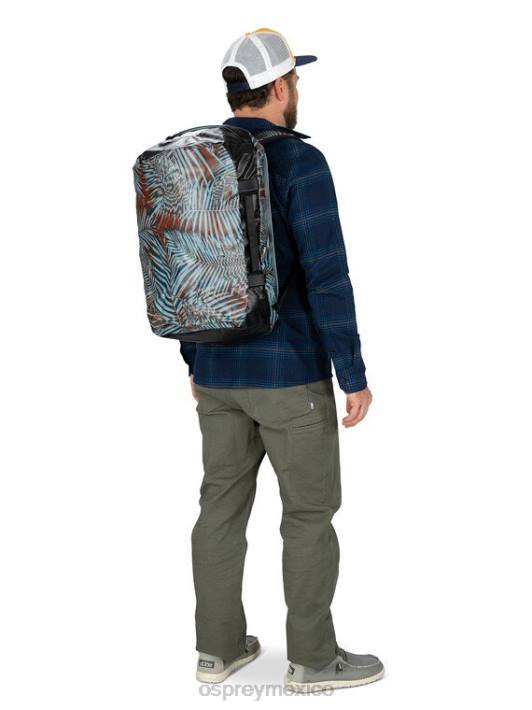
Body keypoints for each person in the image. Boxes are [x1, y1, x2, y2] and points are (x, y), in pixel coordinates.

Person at [181, 28, 384, 693]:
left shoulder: (197, 161)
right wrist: (352, 373)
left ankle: (216, 652)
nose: (297, 89)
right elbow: (327, 276)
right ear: (276, 88)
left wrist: (193, 360)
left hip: (216, 375)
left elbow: (180, 269)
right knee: (308, 517)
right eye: (294, 78)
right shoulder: (299, 162)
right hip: (290, 375)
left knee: (219, 510)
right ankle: (313, 662)